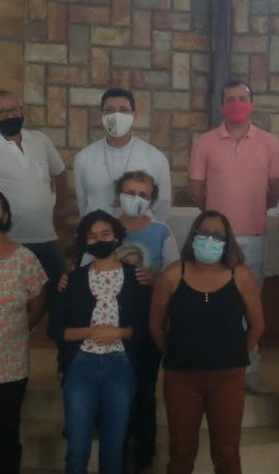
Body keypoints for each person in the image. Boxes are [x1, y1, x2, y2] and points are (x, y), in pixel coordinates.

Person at [188, 80, 279, 393]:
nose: (236, 104)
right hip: (214, 239)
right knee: (213, 301)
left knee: (249, 303)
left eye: (242, 98)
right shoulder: (205, 142)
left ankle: (249, 368)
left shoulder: (269, 142)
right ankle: (215, 364)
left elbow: (277, 188)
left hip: (254, 235)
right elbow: (195, 188)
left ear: (251, 104)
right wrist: (217, 219)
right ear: (222, 105)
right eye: (230, 99)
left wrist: (253, 209)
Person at [149, 210, 264, 474]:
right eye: (204, 233)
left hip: (228, 378)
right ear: (193, 237)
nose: (210, 239)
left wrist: (235, 356)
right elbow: (156, 324)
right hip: (182, 378)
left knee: (227, 454)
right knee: (180, 453)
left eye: (217, 235)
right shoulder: (173, 275)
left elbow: (257, 325)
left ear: (227, 241)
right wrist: (175, 352)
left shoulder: (241, 276)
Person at [51, 210, 150, 474]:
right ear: (85, 242)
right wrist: (89, 332)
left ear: (116, 236)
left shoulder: (136, 277)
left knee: (114, 448)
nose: (99, 240)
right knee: (77, 449)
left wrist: (120, 333)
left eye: (105, 233)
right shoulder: (72, 280)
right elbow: (56, 330)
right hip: (80, 365)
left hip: (121, 365)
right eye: (92, 236)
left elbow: (146, 327)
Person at [115, 170, 180, 474]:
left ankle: (143, 453)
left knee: (143, 389)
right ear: (119, 194)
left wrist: (155, 280)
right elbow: (85, 268)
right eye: (130, 192)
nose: (135, 199)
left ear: (151, 199)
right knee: (116, 389)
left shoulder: (161, 232)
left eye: (143, 194)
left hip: (147, 322)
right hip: (111, 322)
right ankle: (116, 450)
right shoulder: (107, 227)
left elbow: (176, 275)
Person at [0, 89, 68, 315]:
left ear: (21, 110)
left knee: (60, 293)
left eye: (13, 109)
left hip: (46, 236)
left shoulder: (40, 140)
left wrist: (60, 209)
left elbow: (60, 172)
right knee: (17, 302)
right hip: (11, 242)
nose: (9, 115)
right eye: (2, 112)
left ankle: (55, 332)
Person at [0, 191, 47, 474]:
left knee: (6, 429)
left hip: (11, 364)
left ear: (5, 214)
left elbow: (38, 305)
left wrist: (17, 330)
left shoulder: (24, 259)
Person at [74, 88, 172, 221]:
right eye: (110, 110)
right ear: (102, 115)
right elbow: (82, 202)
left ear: (134, 115)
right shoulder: (83, 158)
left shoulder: (156, 158)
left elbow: (162, 205)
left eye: (123, 110)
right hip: (98, 230)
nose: (116, 116)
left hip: (140, 232)